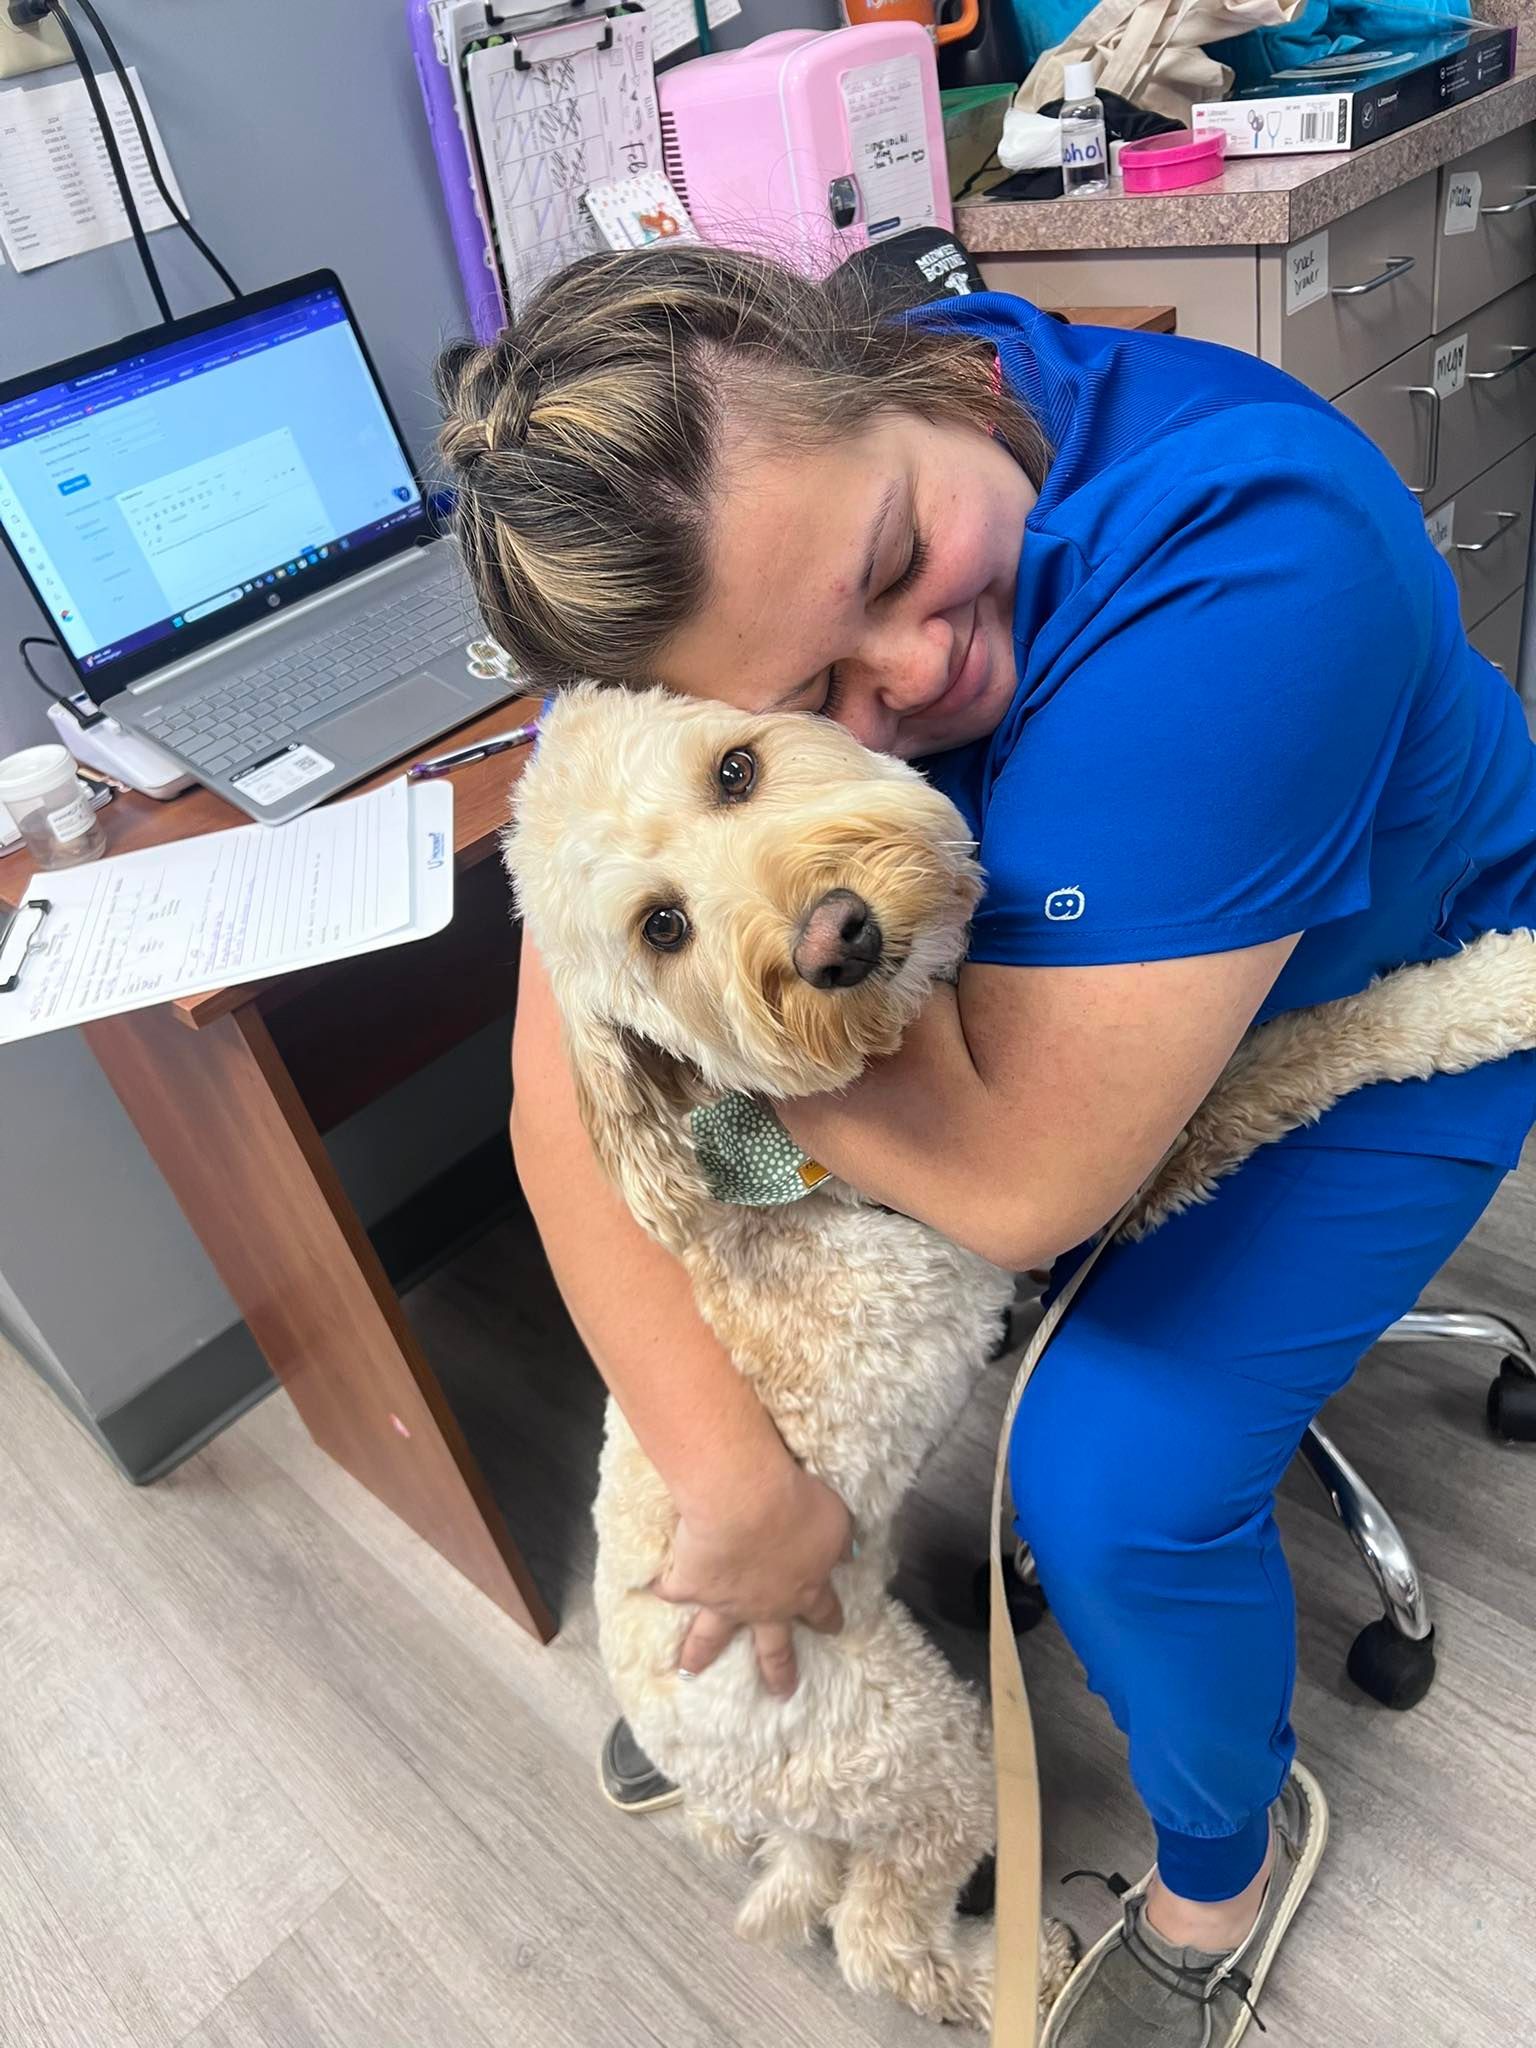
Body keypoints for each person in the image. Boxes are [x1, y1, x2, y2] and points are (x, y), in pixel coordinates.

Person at [434, 243, 1536, 2045]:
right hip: (1023, 1061)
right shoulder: (696, 587)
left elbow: (1034, 1181)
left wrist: (726, 1035)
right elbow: (564, 1112)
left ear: (920, 376)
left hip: (1401, 990)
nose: (910, 678)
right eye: (791, 717)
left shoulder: (1251, 553)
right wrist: (742, 1500)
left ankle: (1214, 1875)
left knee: (1111, 1473)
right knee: (744, 1288)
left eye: (892, 569)